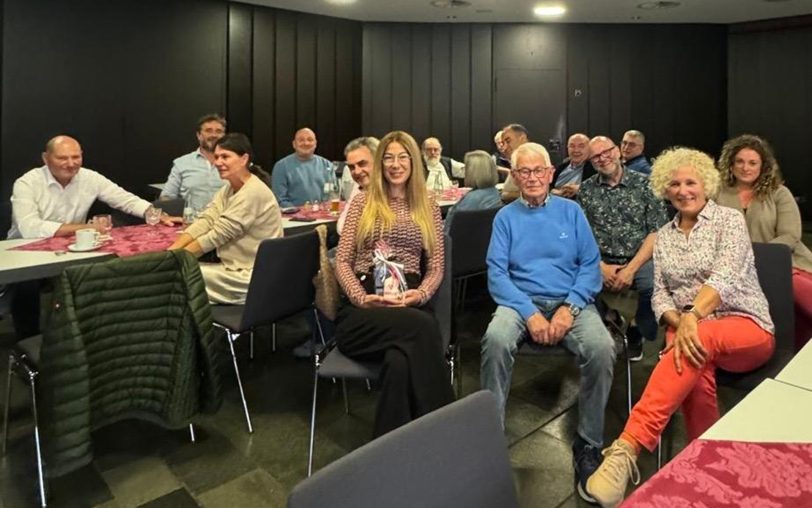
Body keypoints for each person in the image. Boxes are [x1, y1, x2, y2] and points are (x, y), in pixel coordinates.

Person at [586, 148, 775, 507]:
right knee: (692, 359)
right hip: (691, 332)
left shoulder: (729, 220)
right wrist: (678, 321)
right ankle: (708, 463)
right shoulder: (665, 236)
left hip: (746, 327)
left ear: (706, 184)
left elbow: (725, 277)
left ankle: (628, 446)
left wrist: (690, 318)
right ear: (665, 190)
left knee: (688, 342)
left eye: (691, 182)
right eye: (674, 183)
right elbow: (659, 297)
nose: (683, 189)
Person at [480, 142, 614, 503]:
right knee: (495, 339)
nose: (533, 177)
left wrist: (569, 308)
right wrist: (530, 313)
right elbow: (497, 274)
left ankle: (588, 444)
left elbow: (590, 266)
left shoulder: (572, 212)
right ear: (515, 176)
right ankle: (489, 438)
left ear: (551, 173)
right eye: (524, 171)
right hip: (519, 301)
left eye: (539, 170)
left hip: (571, 299)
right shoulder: (505, 218)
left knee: (602, 349)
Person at [334, 130, 454, 437]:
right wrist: (362, 298)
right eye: (388, 157)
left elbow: (437, 264)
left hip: (409, 299)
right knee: (425, 329)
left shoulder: (427, 203)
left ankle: (390, 449)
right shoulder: (362, 201)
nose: (395, 164)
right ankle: (447, 433)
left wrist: (421, 293)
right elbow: (342, 261)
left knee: (399, 363)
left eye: (403, 157)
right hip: (364, 307)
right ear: (380, 163)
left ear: (414, 161)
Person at [716, 134, 812, 351]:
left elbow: (790, 235)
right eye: (739, 161)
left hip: (783, 261)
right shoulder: (717, 192)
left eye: (752, 163)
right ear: (730, 164)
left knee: (800, 291)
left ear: (763, 166)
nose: (745, 168)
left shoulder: (779, 192)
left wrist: (759, 257)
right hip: (732, 265)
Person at [578, 136, 669, 361]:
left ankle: (637, 330)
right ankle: (606, 329)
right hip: (601, 257)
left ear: (618, 151)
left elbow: (656, 232)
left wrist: (630, 269)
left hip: (641, 257)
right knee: (581, 284)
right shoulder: (586, 190)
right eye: (595, 156)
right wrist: (600, 267)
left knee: (651, 286)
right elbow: (580, 236)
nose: (603, 158)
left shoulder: (646, 184)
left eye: (606, 151)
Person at [168, 133, 282, 304]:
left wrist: (174, 261)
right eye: (216, 157)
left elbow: (217, 235)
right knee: (177, 272)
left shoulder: (253, 191)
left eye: (225, 157)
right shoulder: (229, 189)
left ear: (244, 159)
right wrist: (172, 252)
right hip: (234, 268)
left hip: (253, 276)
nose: (218, 162)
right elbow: (206, 220)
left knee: (179, 275)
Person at [8, 135, 166, 239]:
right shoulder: (26, 183)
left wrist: (154, 214)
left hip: (73, 246)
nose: (71, 164)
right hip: (24, 249)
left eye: (76, 157)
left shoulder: (90, 177)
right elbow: (30, 228)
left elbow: (124, 199)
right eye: (62, 158)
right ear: (46, 158)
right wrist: (85, 228)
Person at [160, 114, 227, 212]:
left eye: (219, 131)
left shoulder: (235, 163)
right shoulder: (181, 163)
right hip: (192, 222)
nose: (214, 135)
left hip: (226, 223)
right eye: (208, 131)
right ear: (199, 135)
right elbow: (167, 198)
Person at [271, 127, 333, 208]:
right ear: (294, 144)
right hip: (293, 218)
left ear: (315, 143)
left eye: (310, 140)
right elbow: (280, 199)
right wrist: (301, 213)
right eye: (301, 140)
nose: (306, 143)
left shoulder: (327, 165)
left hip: (323, 216)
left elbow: (332, 194)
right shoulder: (281, 167)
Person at [443, 150, 502, 233]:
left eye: (466, 168)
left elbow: (451, 228)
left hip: (456, 242)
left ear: (472, 171)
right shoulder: (495, 193)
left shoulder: (471, 199)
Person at [337, 136, 379, 235]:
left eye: (362, 164)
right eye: (351, 167)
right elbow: (342, 227)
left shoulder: (395, 189)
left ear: (378, 161)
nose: (357, 171)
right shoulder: (359, 188)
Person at [551, 133, 595, 198]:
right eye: (572, 146)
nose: (576, 150)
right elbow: (548, 187)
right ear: (567, 148)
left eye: (581, 146)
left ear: (589, 148)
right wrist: (556, 192)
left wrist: (580, 189)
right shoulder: (561, 167)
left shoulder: (595, 167)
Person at [499, 123, 530, 202]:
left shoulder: (533, 161)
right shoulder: (516, 162)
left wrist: (505, 195)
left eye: (508, 141)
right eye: (503, 144)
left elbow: (535, 192)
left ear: (522, 138)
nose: (504, 148)